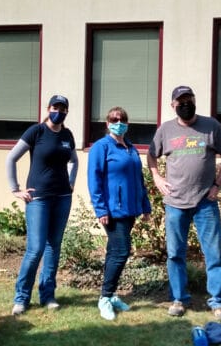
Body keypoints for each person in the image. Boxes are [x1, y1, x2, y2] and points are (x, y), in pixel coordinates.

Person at [147, 85, 221, 320]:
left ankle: (219, 302)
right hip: (175, 203)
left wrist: (217, 185)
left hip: (205, 201)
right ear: (173, 105)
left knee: (214, 254)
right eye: (180, 101)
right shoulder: (165, 130)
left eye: (189, 100)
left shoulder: (211, 126)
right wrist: (157, 178)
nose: (185, 104)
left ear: (195, 100)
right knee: (175, 254)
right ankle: (178, 299)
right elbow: (151, 156)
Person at [6, 94, 78, 315]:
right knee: (35, 248)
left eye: (63, 108)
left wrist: (71, 182)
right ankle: (21, 298)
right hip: (38, 198)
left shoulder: (67, 134)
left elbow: (74, 160)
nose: (59, 111)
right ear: (48, 108)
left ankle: (48, 295)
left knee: (53, 247)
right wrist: (16, 189)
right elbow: (11, 158)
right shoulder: (36, 131)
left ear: (66, 111)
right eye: (55, 107)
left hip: (62, 197)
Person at [88, 106, 152, 320]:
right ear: (107, 124)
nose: (119, 122)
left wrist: (145, 205)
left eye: (122, 119)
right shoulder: (102, 147)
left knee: (113, 252)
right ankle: (104, 298)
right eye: (114, 119)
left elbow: (139, 180)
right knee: (122, 251)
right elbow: (94, 180)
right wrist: (101, 209)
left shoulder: (131, 148)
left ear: (127, 123)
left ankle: (111, 294)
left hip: (130, 209)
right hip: (113, 211)